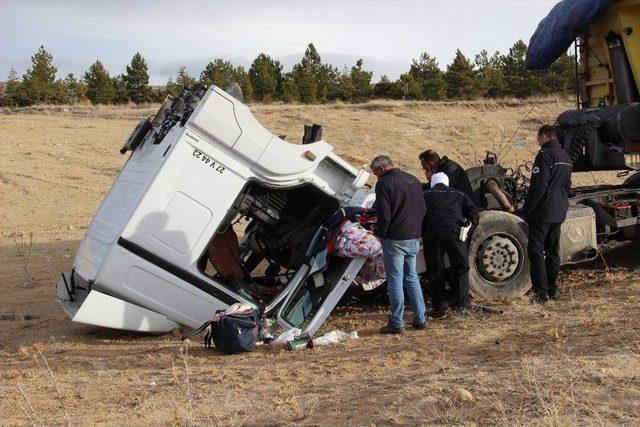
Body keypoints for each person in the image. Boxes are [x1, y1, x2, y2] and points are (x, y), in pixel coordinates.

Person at [370, 155, 427, 334]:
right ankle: (420, 318)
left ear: (380, 169)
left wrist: (380, 233)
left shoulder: (384, 183)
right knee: (412, 277)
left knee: (394, 280)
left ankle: (397, 322)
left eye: (375, 173)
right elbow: (423, 209)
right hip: (413, 236)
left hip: (395, 238)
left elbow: (384, 214)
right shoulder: (414, 180)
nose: (376, 177)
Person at [521, 125, 572, 302]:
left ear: (544, 136)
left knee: (536, 252)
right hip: (559, 210)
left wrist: (528, 208)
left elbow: (539, 186)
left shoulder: (544, 155)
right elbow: (567, 186)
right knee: (553, 252)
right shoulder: (566, 157)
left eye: (538, 138)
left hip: (543, 211)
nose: (538, 141)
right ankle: (552, 290)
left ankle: (540, 293)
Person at [422, 172, 479, 317]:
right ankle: (462, 305)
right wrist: (468, 227)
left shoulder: (425, 194)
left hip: (432, 235)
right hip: (456, 234)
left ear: (433, 183)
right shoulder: (459, 194)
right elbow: (473, 213)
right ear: (447, 183)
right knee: (460, 268)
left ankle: (439, 308)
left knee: (435, 271)